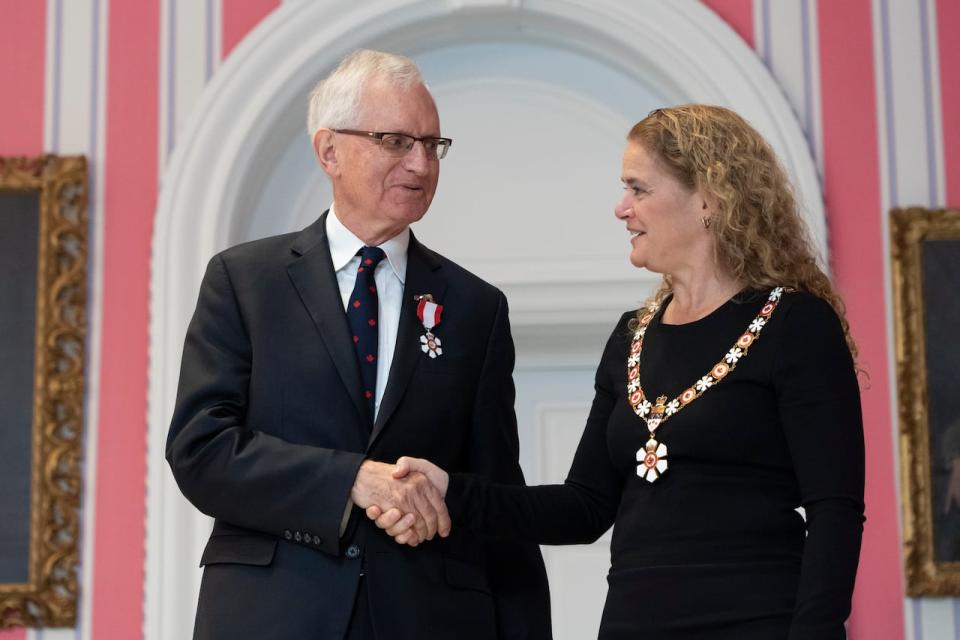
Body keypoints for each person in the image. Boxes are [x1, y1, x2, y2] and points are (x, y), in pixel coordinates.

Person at [368, 104, 866, 639]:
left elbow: (834, 509)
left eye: (639, 189)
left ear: (708, 199)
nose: (621, 208)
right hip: (634, 624)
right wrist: (451, 492)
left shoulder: (795, 325)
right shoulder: (632, 334)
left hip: (758, 621)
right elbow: (583, 507)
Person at [166, 49, 552, 640]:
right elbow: (202, 450)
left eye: (432, 144)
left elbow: (499, 501)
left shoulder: (477, 309)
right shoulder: (245, 281)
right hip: (272, 614)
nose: (420, 164)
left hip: (430, 617)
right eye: (396, 141)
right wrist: (351, 481)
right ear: (329, 151)